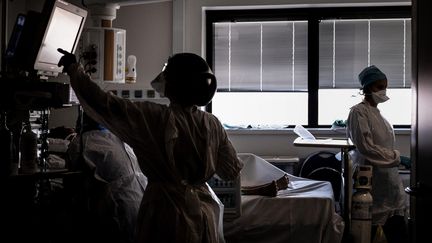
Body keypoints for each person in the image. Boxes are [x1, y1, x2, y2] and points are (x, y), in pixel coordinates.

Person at [57, 49, 243, 243]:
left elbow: (105, 103)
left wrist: (74, 69)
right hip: (206, 216)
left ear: (176, 82)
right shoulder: (212, 124)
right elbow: (229, 171)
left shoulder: (156, 118)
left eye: (168, 74)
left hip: (167, 215)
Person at [346, 65, 408, 243]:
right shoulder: (358, 112)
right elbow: (366, 147)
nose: (383, 91)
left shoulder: (379, 115)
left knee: (396, 227)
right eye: (379, 87)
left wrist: (396, 161)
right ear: (366, 88)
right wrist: (398, 158)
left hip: (389, 182)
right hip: (371, 182)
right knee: (371, 230)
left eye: (385, 86)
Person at [66, 111, 148, 243]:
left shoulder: (81, 142)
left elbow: (71, 185)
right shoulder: (120, 137)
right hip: (142, 200)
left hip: (117, 205)